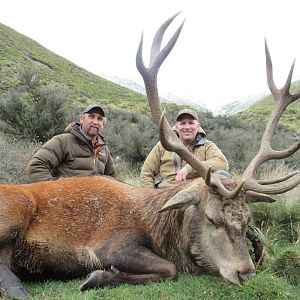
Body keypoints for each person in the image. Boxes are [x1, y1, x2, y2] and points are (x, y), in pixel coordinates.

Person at [140, 108, 229, 188]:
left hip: (196, 193)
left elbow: (222, 163)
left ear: (198, 126)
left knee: (222, 175)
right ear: (177, 127)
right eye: (183, 123)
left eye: (191, 123)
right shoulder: (162, 146)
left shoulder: (207, 146)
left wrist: (189, 168)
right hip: (166, 192)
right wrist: (149, 195)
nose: (187, 127)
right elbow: (146, 173)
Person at [28, 104, 116, 182]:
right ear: (82, 119)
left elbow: (112, 177)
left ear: (103, 124)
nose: (95, 122)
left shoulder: (104, 149)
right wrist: (54, 191)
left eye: (99, 119)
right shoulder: (63, 141)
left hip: (95, 199)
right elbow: (37, 165)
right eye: (91, 117)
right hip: (66, 198)